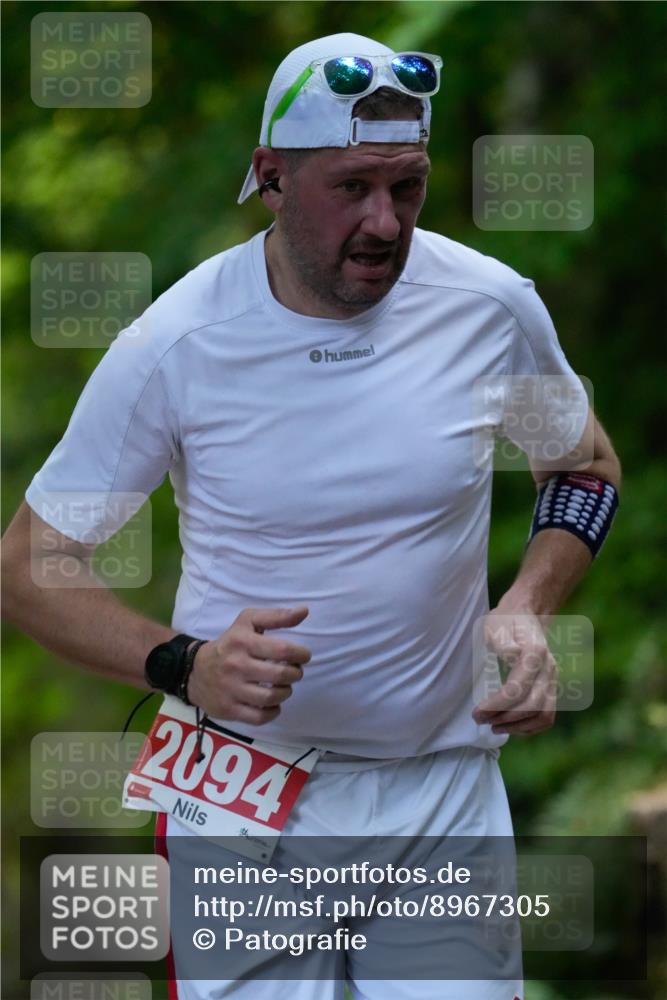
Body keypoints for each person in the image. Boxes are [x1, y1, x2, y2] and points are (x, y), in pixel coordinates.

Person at [2, 31, 620, 1000]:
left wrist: (527, 603)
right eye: (351, 187)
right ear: (272, 176)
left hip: (436, 787)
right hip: (238, 793)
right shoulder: (177, 341)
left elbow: (580, 466)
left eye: (406, 186)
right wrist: (184, 663)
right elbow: (32, 562)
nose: (384, 221)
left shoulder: (487, 307)